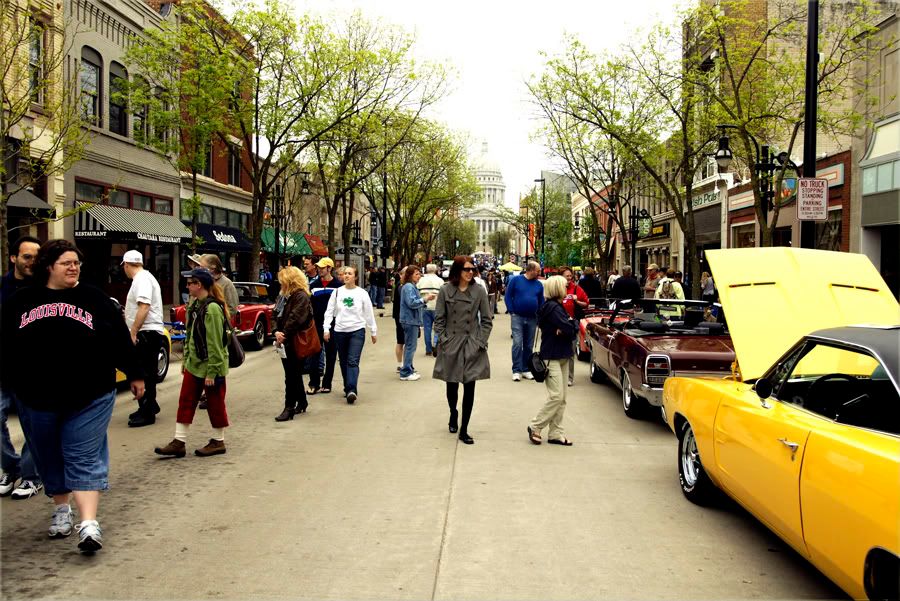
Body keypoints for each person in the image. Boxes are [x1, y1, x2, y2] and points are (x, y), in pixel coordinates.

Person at [1, 239, 144, 553]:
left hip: (90, 395)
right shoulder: (20, 301)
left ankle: (89, 524)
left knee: (82, 455)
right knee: (48, 454)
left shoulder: (94, 298)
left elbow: (119, 338)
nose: (73, 267)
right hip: (36, 397)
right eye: (66, 262)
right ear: (49, 266)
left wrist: (134, 373)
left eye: (76, 262)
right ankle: (61, 508)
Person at [154, 267, 230, 459]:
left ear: (200, 285)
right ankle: (179, 441)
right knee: (186, 400)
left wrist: (212, 372)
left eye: (190, 283)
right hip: (195, 365)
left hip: (211, 365)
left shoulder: (212, 308)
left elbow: (215, 343)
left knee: (215, 403)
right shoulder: (195, 305)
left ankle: (218, 441)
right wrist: (186, 361)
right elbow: (190, 338)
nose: (187, 286)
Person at [0, 235, 44, 500]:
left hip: (32, 371)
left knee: (32, 424)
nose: (32, 262)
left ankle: (30, 475)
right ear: (14, 258)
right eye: (27, 257)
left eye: (37, 258)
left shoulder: (44, 289)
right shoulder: (2, 287)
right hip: (2, 367)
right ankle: (11, 467)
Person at [433, 256, 493, 444]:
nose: (470, 273)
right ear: (457, 270)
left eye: (472, 269)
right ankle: (453, 413)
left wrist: (480, 342)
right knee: (451, 385)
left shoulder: (479, 290)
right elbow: (439, 319)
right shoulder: (445, 290)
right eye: (466, 269)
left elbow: (486, 319)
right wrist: (443, 340)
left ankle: (464, 429)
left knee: (470, 386)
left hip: (471, 343)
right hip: (451, 342)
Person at [527, 275, 576, 447]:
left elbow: (569, 327)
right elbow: (570, 328)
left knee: (561, 398)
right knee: (557, 396)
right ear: (558, 288)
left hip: (560, 354)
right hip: (552, 356)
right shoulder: (554, 308)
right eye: (564, 285)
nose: (567, 287)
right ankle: (535, 426)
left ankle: (556, 433)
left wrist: (568, 327)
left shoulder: (554, 306)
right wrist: (568, 326)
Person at [121, 250, 166, 428]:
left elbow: (144, 306)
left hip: (146, 332)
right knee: (145, 370)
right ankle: (148, 406)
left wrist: (133, 331)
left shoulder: (142, 280)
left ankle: (147, 411)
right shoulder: (144, 278)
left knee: (144, 372)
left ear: (126, 264)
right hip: (147, 331)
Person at [323, 266, 377, 403]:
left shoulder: (362, 293)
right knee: (343, 361)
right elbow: (329, 312)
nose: (346, 276)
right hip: (340, 331)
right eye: (345, 274)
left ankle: (352, 389)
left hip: (357, 331)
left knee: (352, 361)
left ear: (355, 277)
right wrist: (326, 329)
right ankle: (348, 387)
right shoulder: (337, 292)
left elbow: (368, 312)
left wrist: (373, 330)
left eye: (350, 274)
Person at [272, 267, 314, 421]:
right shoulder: (283, 296)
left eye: (283, 280)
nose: (280, 283)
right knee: (293, 373)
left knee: (291, 375)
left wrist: (283, 334)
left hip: (295, 340)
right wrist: (276, 331)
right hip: (285, 340)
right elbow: (274, 313)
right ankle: (302, 401)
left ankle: (289, 407)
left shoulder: (301, 296)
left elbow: (296, 318)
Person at [504, 261, 544, 382]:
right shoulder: (516, 280)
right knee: (517, 343)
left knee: (528, 345)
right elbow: (507, 296)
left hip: (532, 317)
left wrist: (541, 314)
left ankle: (526, 369)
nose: (539, 273)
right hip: (518, 317)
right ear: (531, 270)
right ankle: (516, 370)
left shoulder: (538, 285)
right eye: (538, 271)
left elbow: (541, 301)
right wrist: (512, 311)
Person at [307, 257, 342, 394]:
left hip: (333, 325)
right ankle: (313, 383)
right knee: (314, 354)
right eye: (318, 267)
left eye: (322, 267)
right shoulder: (313, 285)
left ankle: (327, 383)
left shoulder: (338, 286)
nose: (319, 270)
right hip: (316, 324)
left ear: (329, 268)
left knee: (331, 355)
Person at [399, 265, 436, 381]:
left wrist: (424, 301)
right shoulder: (409, 287)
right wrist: (425, 299)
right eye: (416, 274)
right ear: (410, 275)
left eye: (419, 274)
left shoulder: (411, 286)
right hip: (410, 320)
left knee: (409, 345)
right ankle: (406, 372)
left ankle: (408, 367)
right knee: (411, 346)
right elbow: (411, 303)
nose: (419, 276)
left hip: (410, 319)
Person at [560, 267, 589, 387]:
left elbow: (586, 304)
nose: (569, 278)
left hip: (571, 324)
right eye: (567, 276)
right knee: (558, 350)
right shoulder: (557, 287)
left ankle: (569, 377)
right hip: (558, 323)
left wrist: (577, 301)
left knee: (570, 352)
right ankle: (558, 375)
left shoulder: (576, 288)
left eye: (570, 276)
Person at [200, 254, 238, 321]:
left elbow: (232, 309)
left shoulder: (227, 283)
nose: (200, 270)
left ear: (213, 268)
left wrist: (216, 317)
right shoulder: (203, 281)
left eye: (203, 267)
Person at [417, 264, 444, 357]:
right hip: (437, 307)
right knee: (437, 328)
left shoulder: (421, 280)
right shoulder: (440, 281)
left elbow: (417, 292)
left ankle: (428, 349)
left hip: (425, 306)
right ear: (436, 270)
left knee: (427, 328)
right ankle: (435, 345)